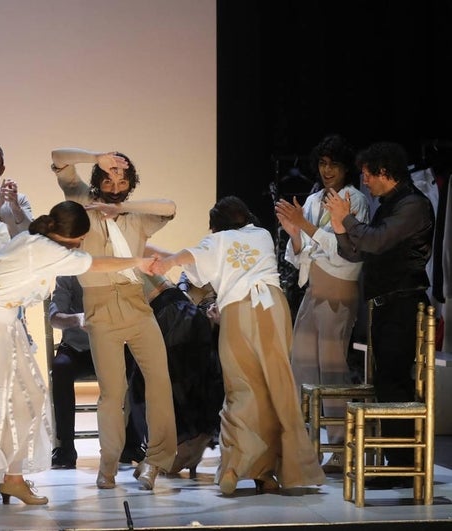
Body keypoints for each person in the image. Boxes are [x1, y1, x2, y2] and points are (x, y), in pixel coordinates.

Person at [0, 201, 156, 504]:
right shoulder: (42, 248)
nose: (81, 244)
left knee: (22, 401)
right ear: (73, 237)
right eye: (80, 239)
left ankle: (12, 478)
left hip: (3, 326)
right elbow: (93, 263)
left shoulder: (35, 241)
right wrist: (137, 261)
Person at [152, 196, 325, 495]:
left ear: (216, 224)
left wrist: (165, 260)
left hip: (238, 312)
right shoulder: (262, 234)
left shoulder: (216, 241)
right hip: (273, 308)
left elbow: (190, 258)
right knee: (276, 388)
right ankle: (271, 471)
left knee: (241, 388)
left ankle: (235, 467)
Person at [50, 147, 177, 491]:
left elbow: (169, 207)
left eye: (122, 179)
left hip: (137, 306)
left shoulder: (136, 215)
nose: (114, 183)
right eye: (109, 175)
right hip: (100, 308)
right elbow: (58, 157)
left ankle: (155, 461)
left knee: (159, 380)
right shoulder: (80, 201)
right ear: (99, 176)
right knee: (112, 391)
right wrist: (96, 156)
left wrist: (120, 208)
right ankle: (108, 465)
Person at [324, 141, 434, 488]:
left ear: (385, 172)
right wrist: (342, 227)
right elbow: (359, 252)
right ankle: (395, 460)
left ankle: (400, 464)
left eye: (368, 174)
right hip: (385, 306)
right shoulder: (389, 204)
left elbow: (374, 241)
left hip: (403, 304)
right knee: (387, 383)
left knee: (395, 384)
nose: (365, 181)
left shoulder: (413, 205)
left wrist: (347, 219)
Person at [274, 134, 370, 471]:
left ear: (345, 167)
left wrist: (306, 227)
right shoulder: (314, 200)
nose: (327, 170)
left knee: (331, 368)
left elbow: (348, 251)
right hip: (313, 288)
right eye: (322, 163)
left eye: (334, 164)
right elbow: (301, 254)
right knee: (301, 363)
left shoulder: (355, 200)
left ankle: (340, 445)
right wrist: (295, 233)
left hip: (339, 290)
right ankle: (306, 443)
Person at [47, 275, 148, 470]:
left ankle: (132, 444)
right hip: (77, 347)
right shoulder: (68, 275)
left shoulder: (114, 271)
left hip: (113, 345)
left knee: (140, 366)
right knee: (60, 368)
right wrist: (77, 319)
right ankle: (66, 448)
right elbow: (54, 317)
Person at [128, 273, 222, 477]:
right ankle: (184, 445)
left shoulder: (116, 254)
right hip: (173, 312)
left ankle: (178, 448)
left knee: (157, 386)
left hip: (170, 315)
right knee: (170, 385)